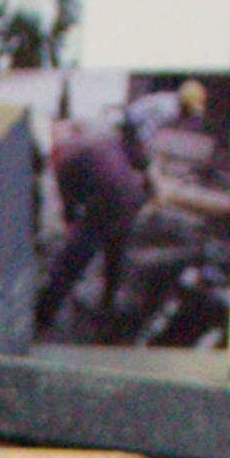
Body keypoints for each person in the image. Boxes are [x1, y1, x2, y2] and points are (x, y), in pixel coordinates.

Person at [35, 103, 149, 338]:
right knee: (114, 257)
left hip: (106, 207)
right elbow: (140, 160)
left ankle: (42, 317)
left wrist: (71, 222)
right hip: (131, 200)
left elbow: (69, 205)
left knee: (69, 265)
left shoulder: (65, 159)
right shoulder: (106, 140)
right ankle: (108, 307)